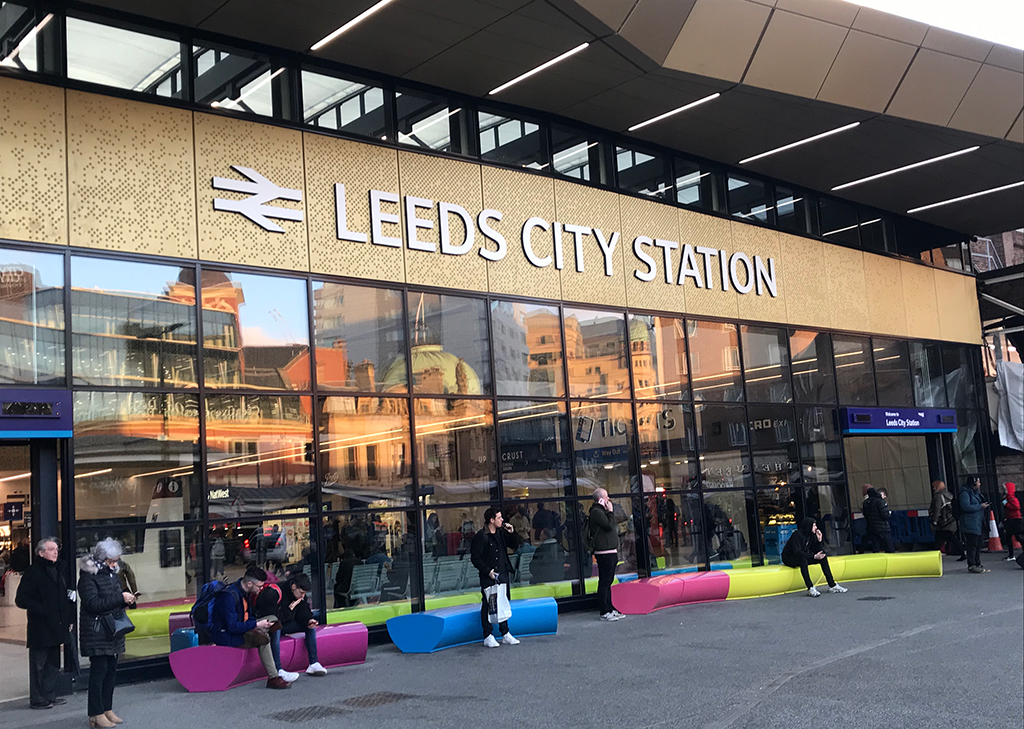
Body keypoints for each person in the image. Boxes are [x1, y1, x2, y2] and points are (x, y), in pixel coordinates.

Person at [78, 538, 136, 727]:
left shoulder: (112, 574)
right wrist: (119, 597)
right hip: (96, 630)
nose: (114, 565)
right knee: (99, 672)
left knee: (111, 671)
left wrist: (126, 600)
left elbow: (112, 599)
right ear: (101, 559)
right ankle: (95, 712)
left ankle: (107, 708)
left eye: (116, 561)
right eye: (111, 561)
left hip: (113, 629)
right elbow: (93, 604)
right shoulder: (88, 576)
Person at [209, 565, 291, 688]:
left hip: (241, 629)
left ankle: (261, 632)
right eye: (259, 586)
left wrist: (255, 624)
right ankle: (273, 676)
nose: (261, 589)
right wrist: (256, 625)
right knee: (262, 639)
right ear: (249, 584)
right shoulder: (229, 597)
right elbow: (232, 626)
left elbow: (249, 616)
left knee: (273, 620)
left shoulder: (244, 593)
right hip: (227, 635)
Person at [15, 538, 73, 710]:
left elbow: (64, 598)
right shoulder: (33, 572)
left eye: (57, 549)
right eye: (51, 549)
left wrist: (68, 619)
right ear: (41, 552)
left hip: (56, 625)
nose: (56, 552)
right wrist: (43, 610)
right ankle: (38, 698)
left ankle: (49, 694)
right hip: (40, 627)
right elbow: (21, 599)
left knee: (53, 663)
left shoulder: (58, 570)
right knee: (39, 664)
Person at [470, 507, 520, 648]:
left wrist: (512, 533)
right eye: (499, 518)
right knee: (488, 603)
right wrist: (487, 571)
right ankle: (488, 635)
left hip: (502, 572)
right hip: (489, 575)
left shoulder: (501, 533)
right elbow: (475, 558)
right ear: (491, 520)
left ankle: (505, 633)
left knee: (502, 602)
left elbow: (514, 545)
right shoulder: (481, 536)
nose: (502, 520)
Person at [266, 573, 327, 678]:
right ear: (294, 587)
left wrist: (308, 620)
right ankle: (278, 669)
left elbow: (304, 610)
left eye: (304, 593)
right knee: (276, 629)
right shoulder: (276, 593)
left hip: (287, 623)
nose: (302, 596)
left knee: (309, 627)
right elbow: (274, 617)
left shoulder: (300, 595)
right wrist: (290, 609)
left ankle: (313, 663)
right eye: (301, 593)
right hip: (275, 624)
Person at [781, 518, 848, 597]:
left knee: (822, 558)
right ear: (808, 526)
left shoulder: (811, 535)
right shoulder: (797, 535)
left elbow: (818, 550)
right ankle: (810, 587)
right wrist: (813, 556)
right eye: (814, 525)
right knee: (803, 560)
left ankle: (832, 585)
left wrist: (819, 540)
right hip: (789, 557)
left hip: (804, 556)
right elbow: (797, 552)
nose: (816, 527)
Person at [589, 488, 625, 621]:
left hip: (610, 550)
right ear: (600, 499)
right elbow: (609, 525)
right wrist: (610, 512)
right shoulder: (597, 512)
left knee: (608, 581)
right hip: (604, 552)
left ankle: (610, 608)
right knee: (604, 581)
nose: (609, 499)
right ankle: (604, 611)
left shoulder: (601, 512)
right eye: (606, 497)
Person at [958, 477, 989, 574]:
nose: (980, 484)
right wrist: (980, 506)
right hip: (970, 522)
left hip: (978, 521)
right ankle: (972, 564)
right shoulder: (965, 493)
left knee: (979, 543)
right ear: (974, 483)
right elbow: (965, 506)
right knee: (972, 544)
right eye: (978, 482)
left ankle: (977, 563)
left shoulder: (975, 493)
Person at [861, 486, 894, 553]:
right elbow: (885, 515)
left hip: (872, 528)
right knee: (889, 547)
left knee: (876, 547)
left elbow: (865, 514)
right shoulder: (880, 502)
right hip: (882, 527)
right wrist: (889, 513)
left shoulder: (866, 502)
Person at [999, 482, 1022, 562]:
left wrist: (1006, 504)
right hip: (1011, 519)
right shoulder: (1008, 498)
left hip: (1014, 520)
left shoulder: (1011, 498)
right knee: (1012, 537)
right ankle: (1011, 555)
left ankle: (1011, 555)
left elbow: (1016, 507)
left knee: (1016, 537)